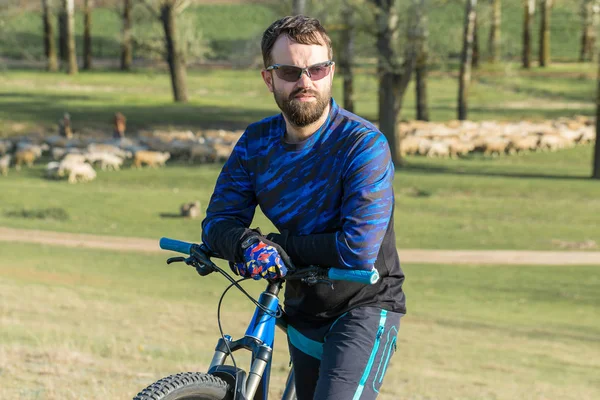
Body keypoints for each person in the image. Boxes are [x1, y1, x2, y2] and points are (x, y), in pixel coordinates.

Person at [200, 15, 406, 400]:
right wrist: (246, 245)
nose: (305, 81)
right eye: (291, 71)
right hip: (301, 304)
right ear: (269, 79)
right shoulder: (256, 142)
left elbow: (357, 249)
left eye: (317, 68)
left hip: (363, 305)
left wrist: (278, 244)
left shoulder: (363, 145)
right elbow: (218, 222)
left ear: (331, 72)